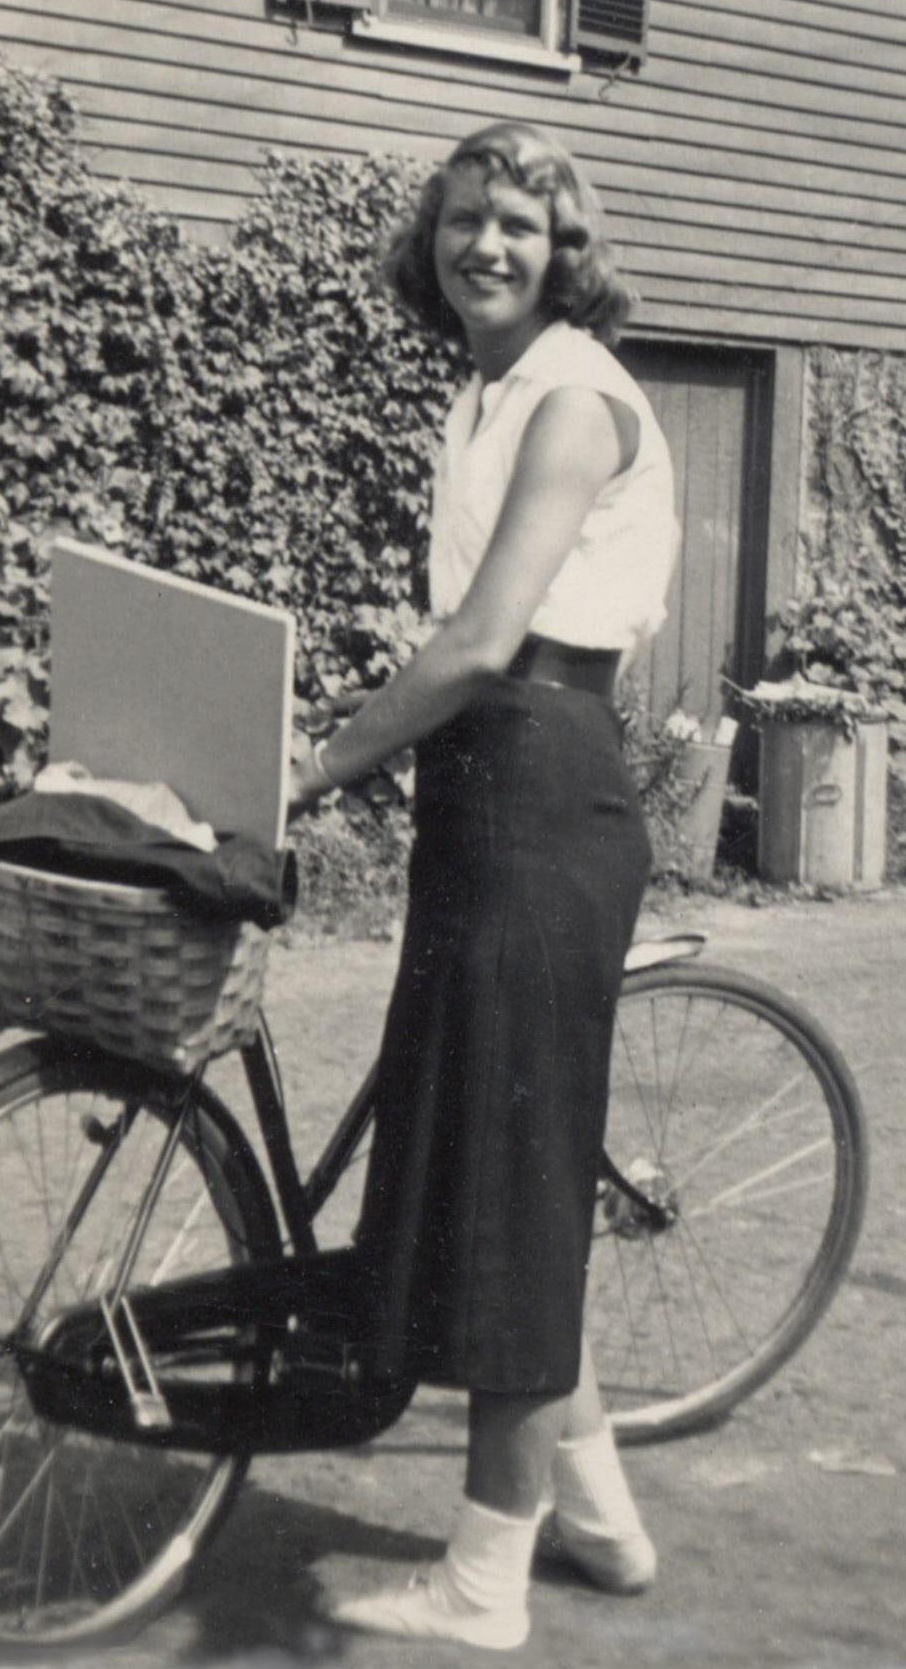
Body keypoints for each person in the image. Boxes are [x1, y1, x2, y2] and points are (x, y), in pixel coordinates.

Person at [285, 118, 678, 1653]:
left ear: (566, 251)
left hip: (543, 789)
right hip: (487, 787)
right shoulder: (483, 392)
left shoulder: (572, 398)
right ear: (430, 240)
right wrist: (366, 728)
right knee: (494, 1165)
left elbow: (482, 643)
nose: (486, 245)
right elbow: (461, 655)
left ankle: (483, 1584)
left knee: (512, 1193)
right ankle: (604, 1523)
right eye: (463, 219)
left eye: (519, 223)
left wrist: (314, 768)